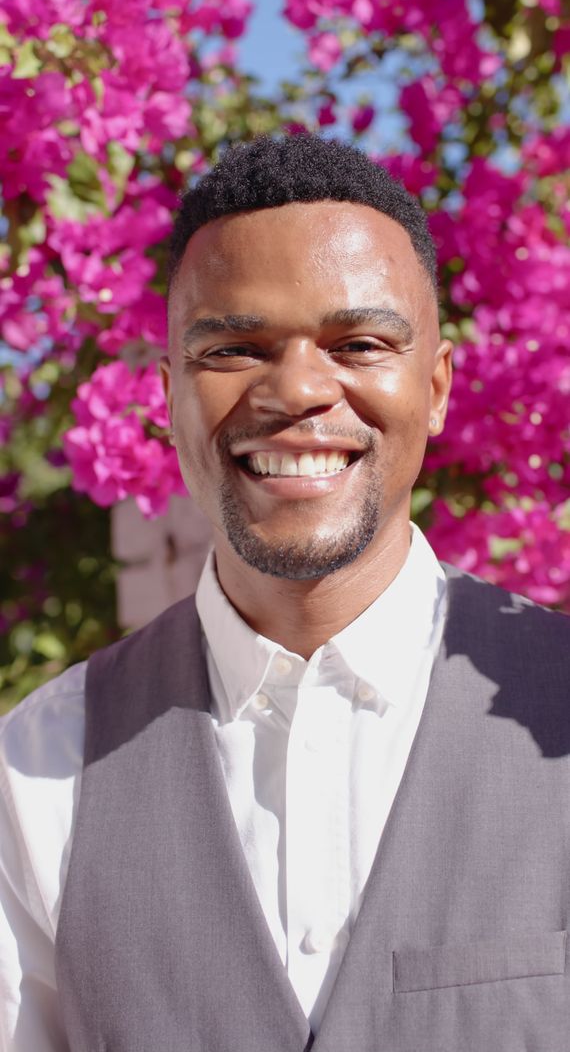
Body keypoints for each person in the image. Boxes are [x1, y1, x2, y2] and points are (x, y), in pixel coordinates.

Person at [1, 135, 569, 1052]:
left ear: (435, 388)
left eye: (358, 342)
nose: (300, 388)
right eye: (234, 347)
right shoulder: (35, 770)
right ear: (170, 394)